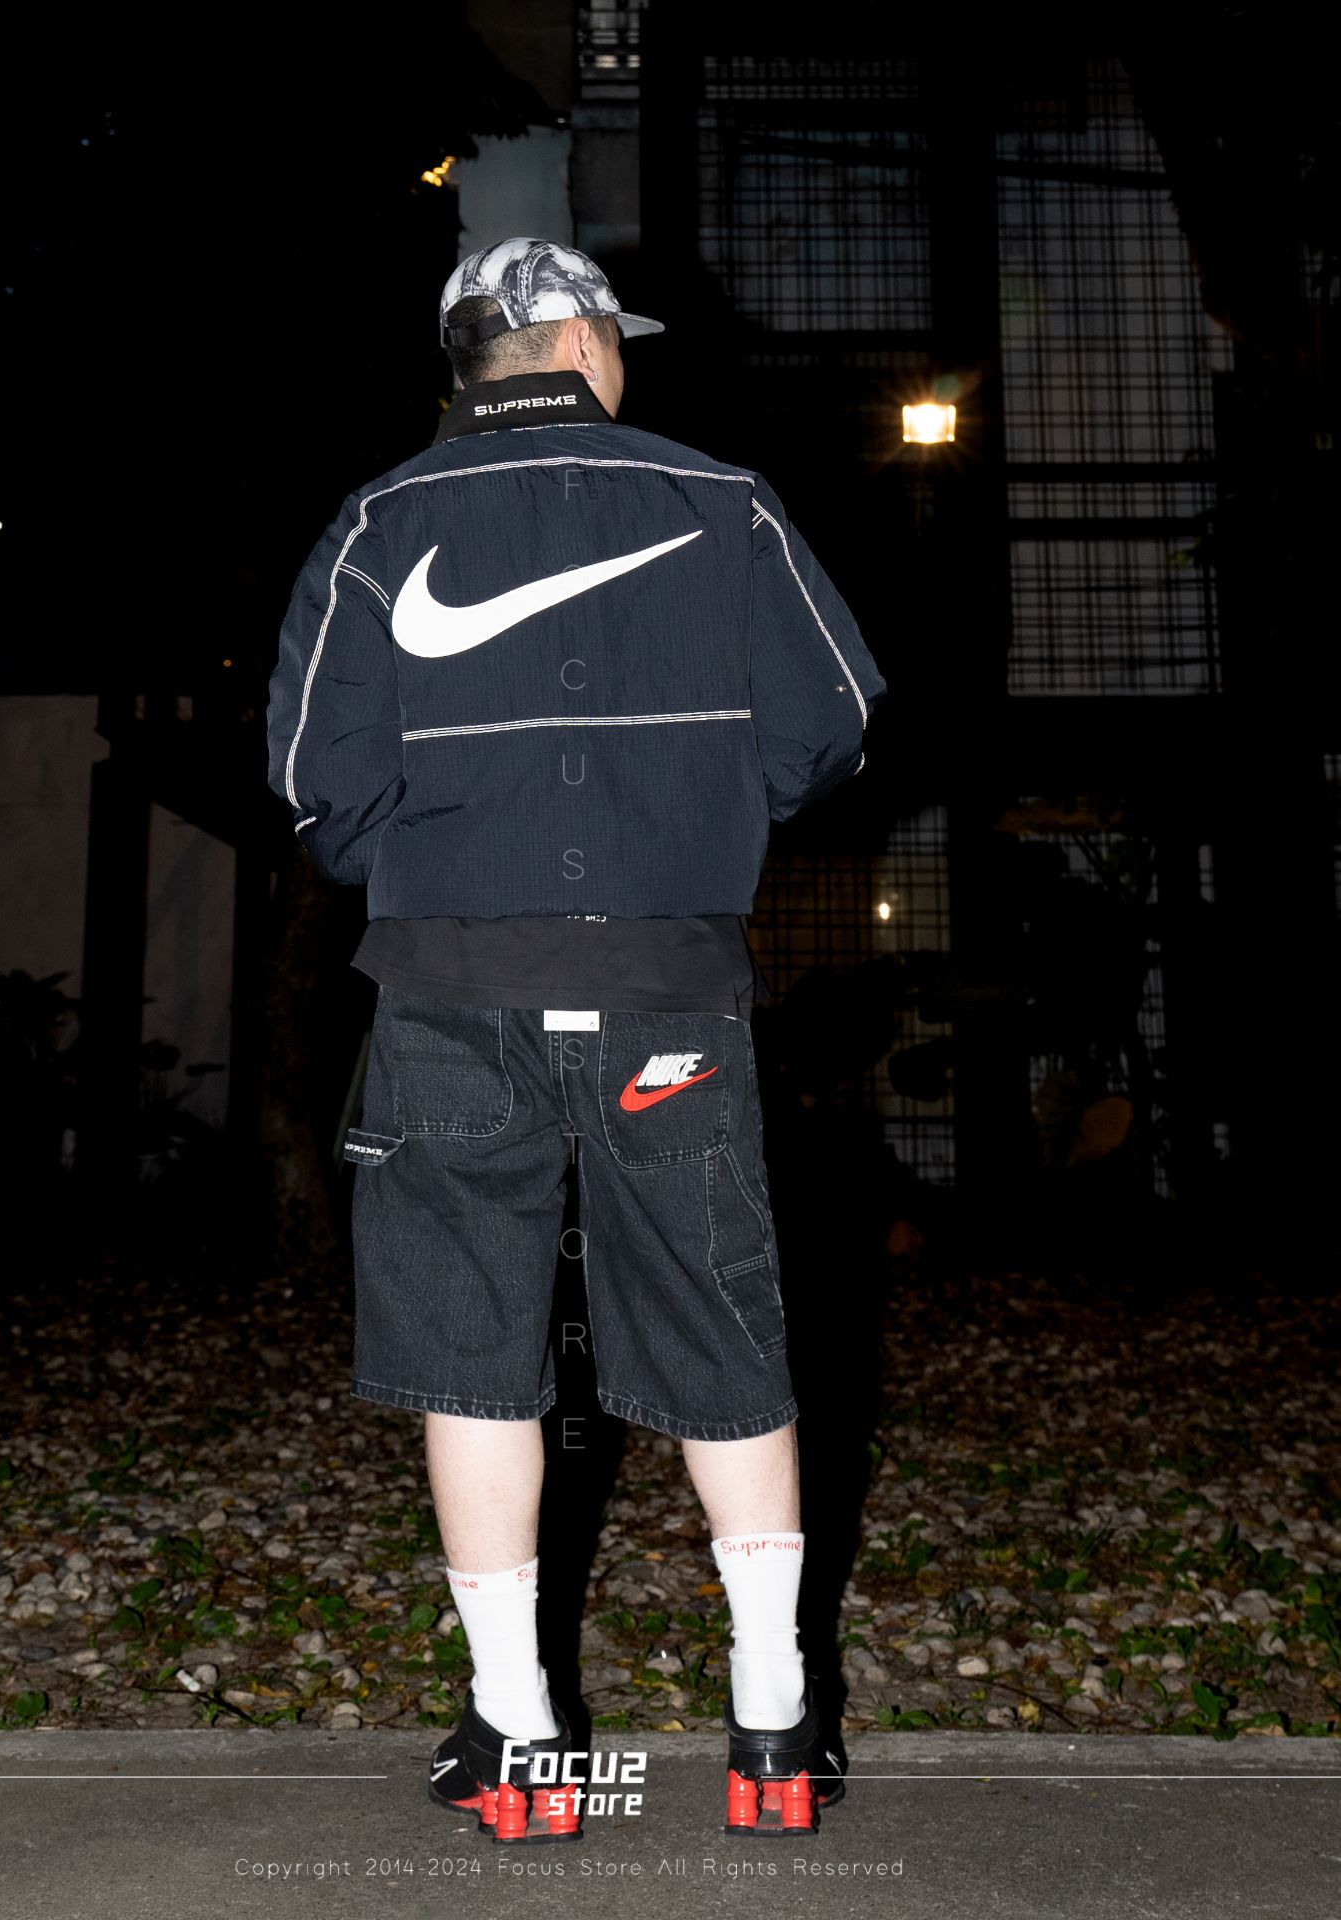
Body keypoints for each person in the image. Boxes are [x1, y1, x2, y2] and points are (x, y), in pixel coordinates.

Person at [265, 237, 885, 1841]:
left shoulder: (379, 522)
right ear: (584, 342)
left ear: (470, 360)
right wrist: (687, 815)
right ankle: (774, 1726)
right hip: (668, 991)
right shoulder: (724, 503)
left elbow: (317, 785)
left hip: (451, 997)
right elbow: (830, 729)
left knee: (474, 1349)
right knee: (725, 1330)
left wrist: (437, 855)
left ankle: (519, 1740)